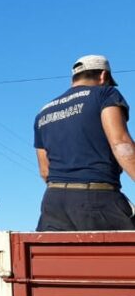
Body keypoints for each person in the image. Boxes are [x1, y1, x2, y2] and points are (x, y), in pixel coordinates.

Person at [34, 55, 135, 231]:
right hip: (97, 198)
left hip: (53, 202)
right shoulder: (105, 94)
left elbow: (45, 171)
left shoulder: (44, 112)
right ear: (103, 76)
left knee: (61, 257)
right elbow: (121, 144)